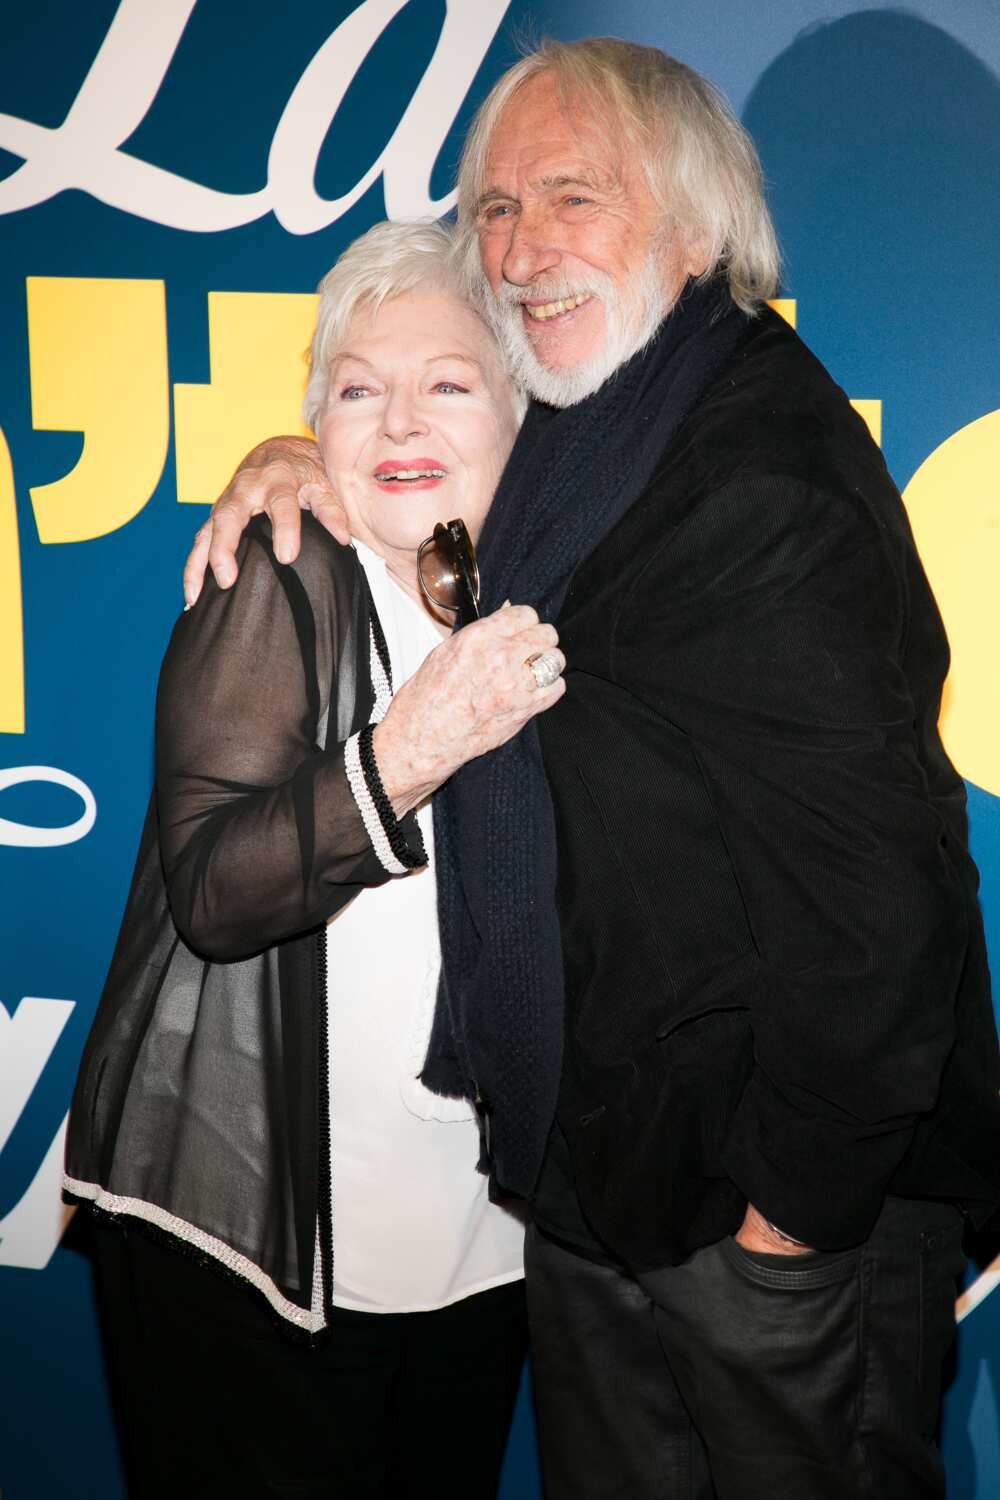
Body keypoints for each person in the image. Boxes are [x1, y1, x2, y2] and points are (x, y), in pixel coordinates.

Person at [183, 37, 1000, 1500]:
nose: (520, 246)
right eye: (493, 207)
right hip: (611, 1199)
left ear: (696, 223)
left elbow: (882, 898)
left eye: (572, 196)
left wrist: (789, 1226)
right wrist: (290, 453)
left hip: (771, 1225)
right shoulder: (588, 425)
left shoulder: (759, 469)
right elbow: (418, 458)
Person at [64, 218, 567, 1500]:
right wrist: (409, 751)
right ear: (317, 435)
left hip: (481, 1249)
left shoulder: (552, 593)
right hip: (257, 1259)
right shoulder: (280, 578)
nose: (400, 420)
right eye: (357, 390)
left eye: (448, 384)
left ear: (523, 420)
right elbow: (216, 892)